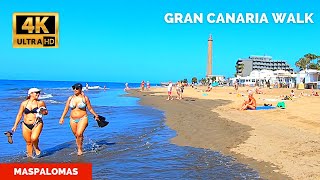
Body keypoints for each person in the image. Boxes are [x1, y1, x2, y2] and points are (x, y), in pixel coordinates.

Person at [59, 83, 99, 156]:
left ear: (81, 89)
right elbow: (66, 108)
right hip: (72, 119)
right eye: (74, 88)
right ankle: (79, 146)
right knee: (77, 135)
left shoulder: (85, 98)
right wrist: (62, 117)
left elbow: (90, 108)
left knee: (79, 133)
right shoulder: (70, 98)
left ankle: (80, 149)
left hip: (83, 118)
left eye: (77, 88)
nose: (75, 90)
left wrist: (95, 115)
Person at [11, 88, 48, 157]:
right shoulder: (24, 103)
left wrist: (43, 111)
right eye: (36, 92)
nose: (38, 94)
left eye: (38, 92)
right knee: (28, 142)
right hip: (25, 124)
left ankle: (36, 148)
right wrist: (15, 125)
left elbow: (46, 112)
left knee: (34, 138)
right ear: (30, 94)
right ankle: (30, 158)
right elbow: (19, 114)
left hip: (37, 123)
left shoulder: (40, 103)